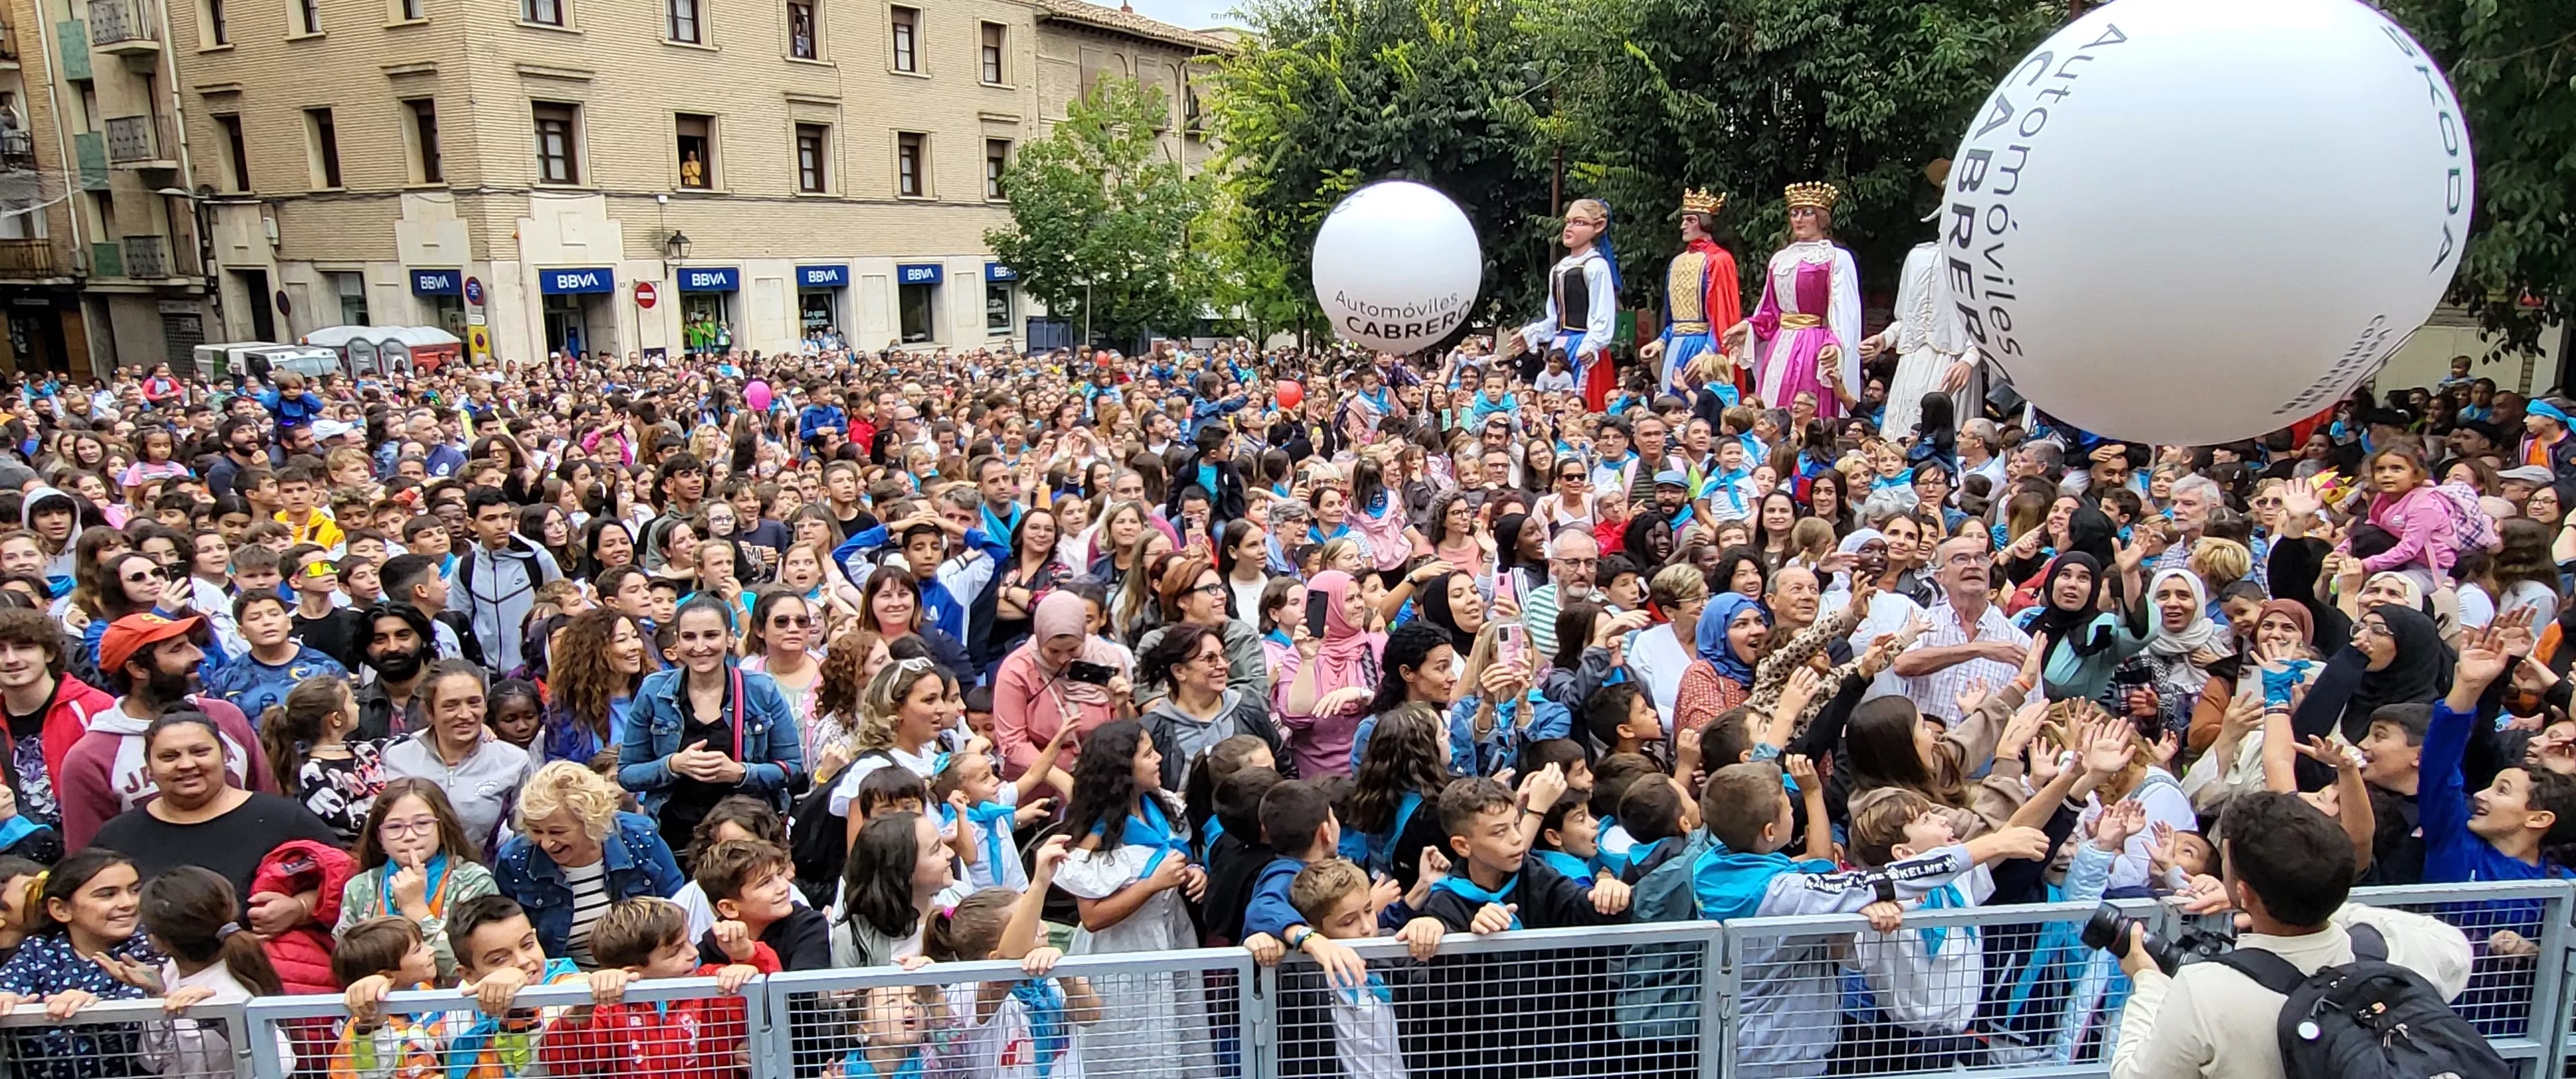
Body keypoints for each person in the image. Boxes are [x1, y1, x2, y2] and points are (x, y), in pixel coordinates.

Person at [2108, 791, 2474, 1079]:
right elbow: (2457, 952)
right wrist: (2333, 902)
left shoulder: (2204, 989)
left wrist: (2148, 981)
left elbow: (2134, 1075)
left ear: (2244, 892)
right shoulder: (2382, 951)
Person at [1052, 720, 1215, 1072]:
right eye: (1148, 754)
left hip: (1173, 938)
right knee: (1132, 1047)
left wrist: (1195, 873)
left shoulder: (1162, 806)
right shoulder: (1095, 830)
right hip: (1123, 951)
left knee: (1181, 1038)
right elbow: (1092, 918)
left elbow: (1181, 855)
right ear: (1123, 768)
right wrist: (1152, 885)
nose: (1158, 759)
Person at [89, 711, 341, 919]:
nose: (186, 765)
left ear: (225, 755)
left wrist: (301, 908)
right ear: (149, 768)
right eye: (169, 757)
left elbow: (349, 881)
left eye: (200, 752)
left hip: (259, 969)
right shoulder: (117, 836)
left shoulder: (283, 819)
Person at [59, 612, 268, 850]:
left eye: (191, 644)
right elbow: (88, 860)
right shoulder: (91, 758)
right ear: (137, 669)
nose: (198, 655)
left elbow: (269, 804)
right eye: (177, 649)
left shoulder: (226, 717)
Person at [618, 596, 806, 852]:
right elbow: (628, 773)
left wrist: (739, 772)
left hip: (747, 840)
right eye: (690, 637)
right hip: (674, 839)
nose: (700, 646)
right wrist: (674, 765)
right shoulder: (654, 690)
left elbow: (792, 768)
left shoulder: (761, 689)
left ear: (730, 638)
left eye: (710, 635)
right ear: (677, 640)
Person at [492, 761, 686, 968]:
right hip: (561, 984)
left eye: (557, 832)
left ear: (591, 822)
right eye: (536, 831)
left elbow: (679, 908)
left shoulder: (640, 837)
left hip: (643, 976)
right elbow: (506, 938)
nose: (547, 843)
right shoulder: (514, 860)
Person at [333, 777, 498, 981]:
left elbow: (477, 971)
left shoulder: (474, 881)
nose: (409, 836)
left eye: (422, 824)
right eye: (395, 827)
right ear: (379, 836)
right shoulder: (359, 888)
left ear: (442, 827)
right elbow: (348, 969)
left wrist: (417, 909)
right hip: (382, 1003)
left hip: (457, 1006)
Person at [1727, 182, 1862, 419]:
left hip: (1814, 344)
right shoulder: (1780, 259)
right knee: (1772, 405)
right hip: (1781, 343)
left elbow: (1844, 311)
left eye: (1807, 213)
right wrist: (1750, 326)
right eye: (1794, 213)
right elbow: (1770, 311)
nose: (1799, 219)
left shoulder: (1836, 258)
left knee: (1806, 405)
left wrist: (1836, 343)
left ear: (1821, 218)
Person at [381, 661, 534, 854]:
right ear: (429, 712)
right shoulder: (395, 757)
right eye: (451, 705)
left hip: (481, 877)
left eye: (474, 703)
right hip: (408, 875)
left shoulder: (514, 761)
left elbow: (527, 837)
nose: (465, 714)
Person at [993, 590, 1133, 780]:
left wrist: (1121, 705)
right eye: (1053, 651)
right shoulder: (1017, 670)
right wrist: (1060, 778)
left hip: (1097, 777)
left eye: (1073, 649)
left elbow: (1122, 733)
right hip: (1038, 781)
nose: (1063, 659)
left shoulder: (1105, 658)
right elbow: (1012, 742)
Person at [1511, 198, 1620, 410]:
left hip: (1584, 345)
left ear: (1598, 226)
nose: (1569, 228)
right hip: (1559, 345)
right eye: (1568, 222)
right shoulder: (1559, 269)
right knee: (1553, 403)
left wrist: (1592, 343)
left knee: (1580, 401)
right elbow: (1555, 317)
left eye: (1578, 223)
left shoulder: (1596, 266)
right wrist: (1533, 332)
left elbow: (1603, 313)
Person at [1273, 570, 1383, 778]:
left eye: (1359, 596)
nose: (1360, 604)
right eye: (1349, 599)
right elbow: (1295, 717)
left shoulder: (1375, 646)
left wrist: (1362, 694)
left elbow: (1397, 706)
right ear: (1329, 607)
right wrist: (1308, 661)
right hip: (1318, 781)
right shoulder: (1297, 654)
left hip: (1373, 775)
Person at [1640, 188, 1745, 401]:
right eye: (1684, 219)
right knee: (1669, 402)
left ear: (1704, 222)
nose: (1683, 226)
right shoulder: (1677, 262)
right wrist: (1660, 341)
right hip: (1675, 345)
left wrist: (1708, 352)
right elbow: (1675, 317)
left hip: (1701, 346)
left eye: (1690, 220)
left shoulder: (1720, 260)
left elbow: (1723, 316)